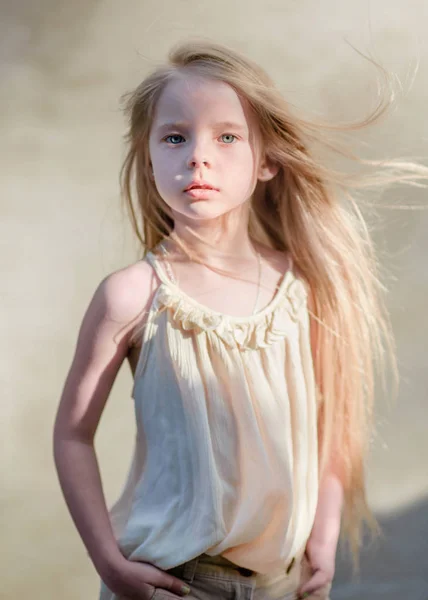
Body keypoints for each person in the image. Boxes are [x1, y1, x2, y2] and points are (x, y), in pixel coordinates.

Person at [53, 40, 428, 600]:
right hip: (169, 582)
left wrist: (322, 542)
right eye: (175, 137)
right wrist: (110, 564)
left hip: (287, 585)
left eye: (227, 137)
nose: (198, 156)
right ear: (148, 153)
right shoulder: (132, 296)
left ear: (267, 160)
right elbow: (72, 435)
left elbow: (336, 430)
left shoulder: (306, 289)